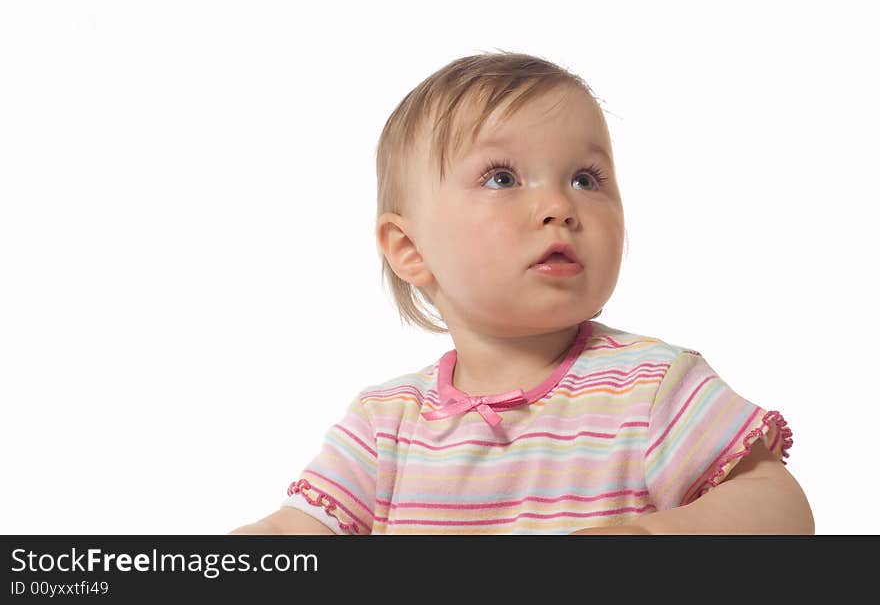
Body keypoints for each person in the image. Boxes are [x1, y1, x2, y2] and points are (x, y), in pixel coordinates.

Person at [230, 51, 814, 535]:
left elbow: (779, 507)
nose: (560, 207)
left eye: (586, 179)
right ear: (411, 250)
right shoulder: (387, 425)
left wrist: (650, 535)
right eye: (502, 178)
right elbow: (292, 535)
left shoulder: (654, 388)